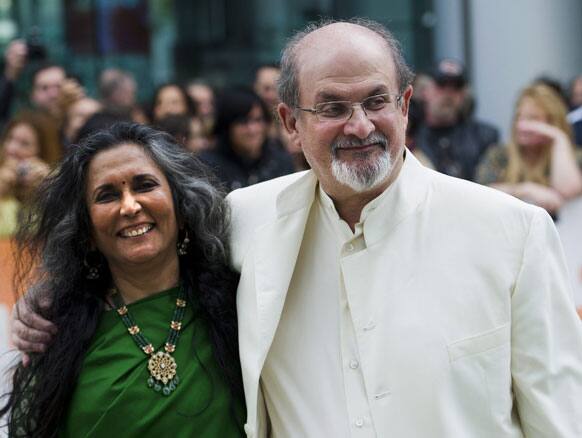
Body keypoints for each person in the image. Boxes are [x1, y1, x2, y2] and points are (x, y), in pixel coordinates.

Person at [13, 18, 582, 437]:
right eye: (332, 107)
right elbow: (144, 249)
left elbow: (560, 418)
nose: (359, 125)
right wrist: (46, 300)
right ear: (290, 122)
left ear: (406, 105)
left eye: (376, 101)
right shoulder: (243, 220)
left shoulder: (513, 234)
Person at [3, 123, 245, 436]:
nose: (130, 206)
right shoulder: (57, 334)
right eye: (107, 195)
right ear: (86, 232)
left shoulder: (239, 301)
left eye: (144, 185)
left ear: (182, 206)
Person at [476, 83, 582, 216]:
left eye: (532, 118)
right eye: (518, 117)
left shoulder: (572, 156)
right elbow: (481, 193)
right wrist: (525, 189)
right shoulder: (500, 154)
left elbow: (569, 191)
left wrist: (559, 138)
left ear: (552, 123)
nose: (521, 125)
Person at [414, 58, 499, 180]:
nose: (449, 93)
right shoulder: (410, 137)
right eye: (441, 84)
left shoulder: (485, 136)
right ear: (424, 91)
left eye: (457, 86)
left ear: (464, 95)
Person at [199, 87, 294, 191]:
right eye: (243, 122)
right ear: (226, 126)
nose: (252, 129)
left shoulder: (280, 161)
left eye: (258, 120)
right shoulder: (208, 167)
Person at [0, 111, 59, 237]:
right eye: (10, 138)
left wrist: (48, 188)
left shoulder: (50, 179)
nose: (11, 149)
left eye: (24, 144)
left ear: (42, 152)